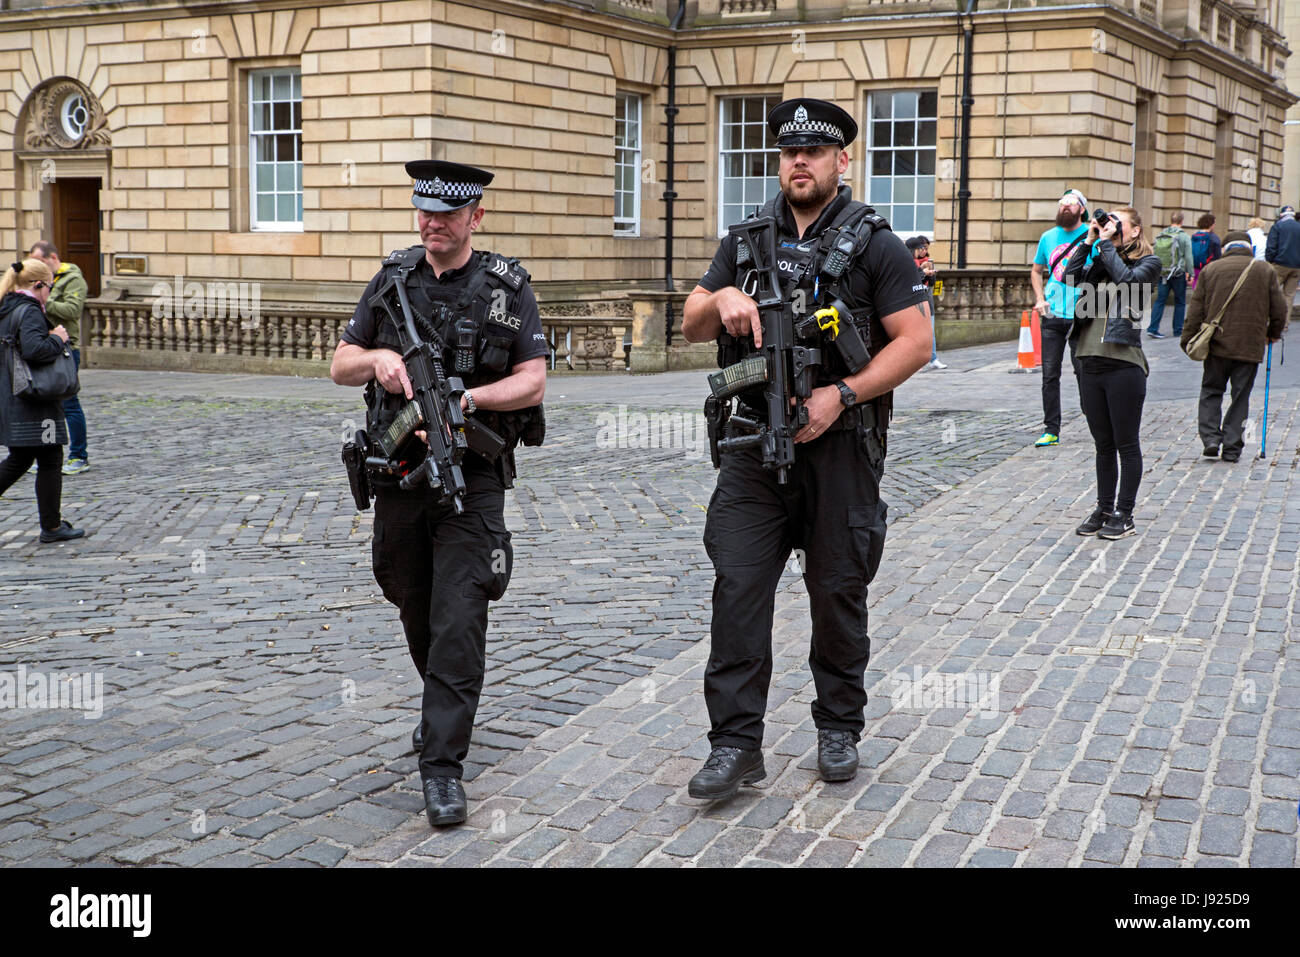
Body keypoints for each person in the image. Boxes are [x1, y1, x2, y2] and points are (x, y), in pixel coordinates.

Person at [680, 98, 931, 800]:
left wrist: (842, 395)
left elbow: (916, 342)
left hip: (841, 448)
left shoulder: (874, 242)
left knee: (838, 590)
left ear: (839, 161)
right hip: (753, 445)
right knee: (737, 589)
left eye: (814, 152)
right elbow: (691, 322)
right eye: (789, 151)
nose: (799, 162)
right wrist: (724, 294)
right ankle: (734, 744)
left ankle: (839, 724)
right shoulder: (746, 238)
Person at [329, 160, 547, 828]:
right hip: (398, 475)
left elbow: (533, 379)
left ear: (475, 216)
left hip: (471, 477)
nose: (432, 224)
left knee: (459, 614)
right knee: (412, 598)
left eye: (447, 215)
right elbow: (340, 362)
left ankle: (443, 767)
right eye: (424, 212)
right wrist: (379, 361)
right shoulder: (392, 278)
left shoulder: (507, 286)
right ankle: (441, 708)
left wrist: (464, 398)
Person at [1063, 206, 1160, 540]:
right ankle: (1104, 508)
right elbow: (1069, 277)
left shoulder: (1149, 265)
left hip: (1124, 365)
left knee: (1126, 443)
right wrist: (1087, 240)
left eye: (1120, 224)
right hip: (1088, 361)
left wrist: (1105, 246)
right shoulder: (1103, 260)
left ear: (1135, 231)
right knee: (1103, 445)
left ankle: (1125, 513)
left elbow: (1129, 282)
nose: (1111, 227)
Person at [1181, 230, 1288, 462]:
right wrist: (1273, 333)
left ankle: (1210, 439)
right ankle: (1232, 447)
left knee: (1211, 390)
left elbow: (1195, 310)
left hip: (1217, 344)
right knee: (1241, 396)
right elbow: (1279, 310)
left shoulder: (1211, 270)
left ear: (1225, 249)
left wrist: (1187, 339)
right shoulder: (1264, 270)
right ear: (1249, 248)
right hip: (1250, 345)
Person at [0, 259, 85, 542]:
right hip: (35, 401)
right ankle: (51, 527)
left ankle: (52, 524)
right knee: (48, 458)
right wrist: (58, 338)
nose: (50, 292)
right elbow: (36, 350)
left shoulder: (8, 306)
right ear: (38, 285)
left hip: (16, 398)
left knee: (26, 457)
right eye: (49, 287)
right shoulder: (30, 311)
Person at [1030, 188, 1091, 447]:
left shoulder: (1092, 235)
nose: (1065, 207)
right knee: (1049, 374)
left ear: (1082, 209)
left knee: (1084, 372)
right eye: (1062, 203)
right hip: (1052, 314)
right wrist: (1039, 297)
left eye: (1071, 204)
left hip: (1082, 313)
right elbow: (1036, 270)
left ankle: (1095, 421)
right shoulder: (1048, 237)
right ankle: (1051, 429)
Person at [27, 242, 89, 474]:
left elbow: (72, 311)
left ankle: (78, 456)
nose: (36, 265)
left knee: (69, 403)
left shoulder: (72, 279)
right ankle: (45, 453)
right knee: (45, 404)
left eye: (39, 260)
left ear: (52, 257)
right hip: (43, 346)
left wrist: (43, 297)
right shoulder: (36, 281)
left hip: (65, 348)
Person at [1146, 212, 1193, 339]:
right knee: (1180, 302)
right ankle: (1178, 330)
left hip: (1163, 273)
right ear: (1181, 221)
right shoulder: (1183, 236)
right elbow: (1188, 256)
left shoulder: (1161, 235)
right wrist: (1191, 274)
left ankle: (1153, 328)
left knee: (1160, 300)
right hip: (1178, 273)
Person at [906, 235, 946, 369]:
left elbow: (931, 283)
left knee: (930, 329)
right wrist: (922, 272)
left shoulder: (928, 261)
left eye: (925, 248)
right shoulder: (908, 261)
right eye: (922, 248)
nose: (923, 251)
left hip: (925, 297)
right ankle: (917, 359)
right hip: (913, 300)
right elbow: (911, 279)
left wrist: (930, 274)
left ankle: (933, 358)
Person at [1265, 204, 1300, 323]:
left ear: (1281, 215)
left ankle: (1269, 319)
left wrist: (1270, 260)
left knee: (1271, 291)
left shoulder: (1278, 226)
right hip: (1296, 265)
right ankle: (1284, 322)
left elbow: (1271, 246)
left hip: (1280, 264)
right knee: (1289, 295)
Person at [1191, 213, 1221, 288]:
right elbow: (1218, 256)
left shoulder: (1195, 236)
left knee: (1196, 289)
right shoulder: (1214, 238)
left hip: (1195, 268)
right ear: (1211, 224)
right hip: (1209, 268)